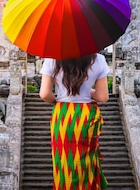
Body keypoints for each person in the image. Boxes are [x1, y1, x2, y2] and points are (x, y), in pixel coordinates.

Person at [39, 52, 110, 190]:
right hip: (85, 115)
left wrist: (57, 101)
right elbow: (102, 97)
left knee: (64, 163)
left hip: (63, 115)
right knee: (87, 162)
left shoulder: (52, 58)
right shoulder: (98, 59)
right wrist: (88, 91)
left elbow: (44, 94)